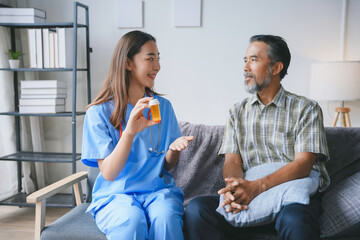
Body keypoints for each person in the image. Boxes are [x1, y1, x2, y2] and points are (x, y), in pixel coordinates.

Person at [184, 35, 330, 240]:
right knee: (197, 209)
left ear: (276, 68)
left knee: (295, 219)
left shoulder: (306, 108)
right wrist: (233, 188)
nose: (245, 67)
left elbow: (303, 164)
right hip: (249, 196)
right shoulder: (237, 111)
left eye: (253, 60)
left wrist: (257, 187)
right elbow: (232, 160)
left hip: (290, 197)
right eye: (245, 61)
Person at [81, 30, 193, 240]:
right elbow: (109, 174)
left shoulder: (163, 107)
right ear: (128, 63)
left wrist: (173, 150)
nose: (157, 67)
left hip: (157, 192)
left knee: (166, 218)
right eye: (150, 58)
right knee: (131, 221)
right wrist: (130, 132)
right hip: (115, 195)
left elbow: (166, 165)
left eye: (158, 59)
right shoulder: (97, 113)